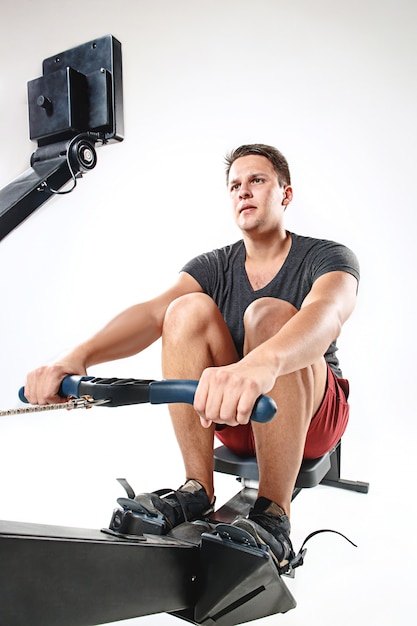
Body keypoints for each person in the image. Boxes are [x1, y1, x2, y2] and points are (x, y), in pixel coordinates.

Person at [24, 144, 359, 574]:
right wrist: (73, 359)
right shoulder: (215, 265)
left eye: (256, 180)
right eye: (235, 185)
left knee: (268, 314)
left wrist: (262, 364)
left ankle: (274, 517)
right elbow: (150, 314)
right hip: (239, 415)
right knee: (183, 310)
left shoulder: (327, 256)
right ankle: (197, 489)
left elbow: (326, 315)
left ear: (285, 195)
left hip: (314, 420)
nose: (243, 191)